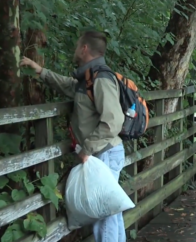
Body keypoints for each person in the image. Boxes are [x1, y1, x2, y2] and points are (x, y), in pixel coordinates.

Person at [20, 31, 126, 241]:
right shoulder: (87, 78)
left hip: (103, 153)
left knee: (103, 216)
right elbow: (69, 86)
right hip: (102, 153)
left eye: (78, 46)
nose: (75, 50)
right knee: (109, 214)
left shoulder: (101, 78)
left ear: (84, 48)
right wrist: (41, 71)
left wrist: (87, 149)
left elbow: (113, 121)